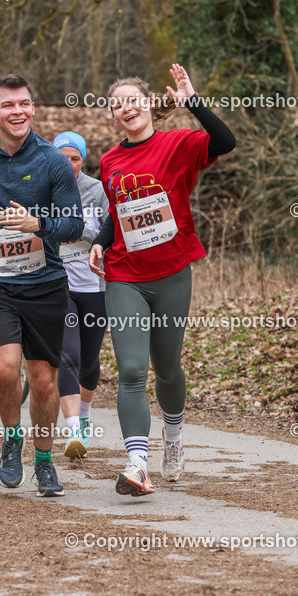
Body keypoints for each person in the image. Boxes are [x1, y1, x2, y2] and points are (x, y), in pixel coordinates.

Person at [89, 64, 236, 496]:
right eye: (118, 105)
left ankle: (173, 440)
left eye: (133, 100)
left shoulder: (180, 144)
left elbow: (226, 142)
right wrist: (100, 241)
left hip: (172, 272)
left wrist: (192, 98)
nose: (126, 109)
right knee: (133, 370)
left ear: (151, 104)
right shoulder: (111, 160)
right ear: (114, 116)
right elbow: (118, 213)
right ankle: (137, 465)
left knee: (167, 369)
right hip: (125, 276)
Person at [0, 75, 84, 497]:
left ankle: (43, 460)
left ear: (33, 108)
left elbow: (74, 225)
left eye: (24, 103)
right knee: (3, 366)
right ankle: (11, 438)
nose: (18, 111)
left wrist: (37, 223)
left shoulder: (54, 162)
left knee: (43, 380)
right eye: (8, 105)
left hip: (45, 282)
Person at [52, 131, 109, 459]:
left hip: (94, 285)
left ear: (83, 160)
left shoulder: (98, 190)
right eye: (63, 158)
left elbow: (109, 231)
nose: (69, 164)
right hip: (60, 284)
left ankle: (84, 415)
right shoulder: (44, 189)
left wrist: (76, 229)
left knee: (88, 362)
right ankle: (73, 430)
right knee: (67, 356)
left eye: (75, 158)